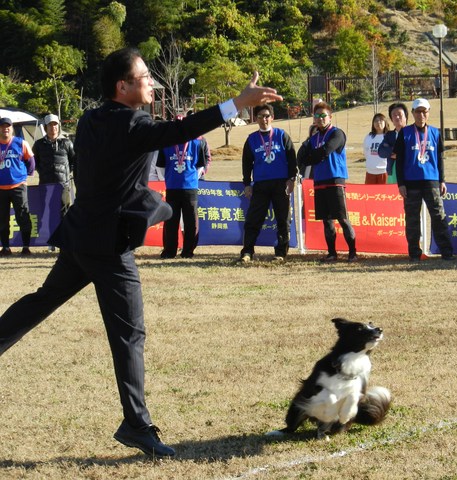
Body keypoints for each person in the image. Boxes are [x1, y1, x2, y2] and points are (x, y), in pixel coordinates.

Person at [0, 47, 282, 458]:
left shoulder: (94, 119)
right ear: (122, 86)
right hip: (108, 245)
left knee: (40, 302)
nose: (152, 81)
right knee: (129, 335)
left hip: (80, 236)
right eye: (144, 76)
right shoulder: (133, 123)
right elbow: (177, 132)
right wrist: (236, 103)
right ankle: (136, 425)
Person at [393, 98, 453, 261]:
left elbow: (440, 158)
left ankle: (446, 251)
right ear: (412, 113)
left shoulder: (435, 132)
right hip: (411, 183)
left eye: (424, 111)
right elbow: (399, 161)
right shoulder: (404, 133)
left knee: (439, 217)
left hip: (431, 181)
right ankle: (414, 252)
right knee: (412, 219)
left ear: (428, 113)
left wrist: (442, 180)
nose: (421, 115)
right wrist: (401, 184)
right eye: (418, 111)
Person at [297, 101, 357, 262]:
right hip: (319, 181)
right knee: (327, 221)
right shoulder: (314, 137)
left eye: (324, 115)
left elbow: (325, 151)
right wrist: (309, 157)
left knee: (343, 219)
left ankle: (353, 252)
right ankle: (332, 253)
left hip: (335, 180)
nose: (321, 118)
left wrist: (311, 158)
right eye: (317, 116)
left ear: (330, 117)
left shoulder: (337, 133)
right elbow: (301, 156)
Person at [238, 104, 297, 263]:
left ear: (272, 117)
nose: (263, 119)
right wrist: (247, 184)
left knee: (283, 219)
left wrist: (292, 179)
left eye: (266, 116)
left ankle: (280, 253)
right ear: (255, 119)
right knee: (253, 219)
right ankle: (247, 252)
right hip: (260, 185)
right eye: (260, 116)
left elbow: (292, 159)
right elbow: (246, 163)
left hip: (281, 184)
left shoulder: (281, 135)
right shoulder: (251, 139)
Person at [156, 115, 210, 259]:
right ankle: (170, 251)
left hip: (190, 188)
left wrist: (192, 179)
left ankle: (188, 251)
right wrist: (168, 180)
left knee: (190, 221)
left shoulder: (196, 143)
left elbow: (200, 166)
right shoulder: (166, 143)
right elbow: (161, 166)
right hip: (172, 187)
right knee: (171, 220)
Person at [0, 116, 34, 256]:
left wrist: (25, 177)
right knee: (2, 219)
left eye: (8, 126)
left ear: (12, 128)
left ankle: (26, 247)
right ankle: (6, 248)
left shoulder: (21, 143)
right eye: (2, 126)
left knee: (23, 216)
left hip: (18, 186)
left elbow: (31, 161)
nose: (5, 129)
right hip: (1, 188)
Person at [33, 114, 76, 218]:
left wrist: (65, 173)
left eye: (55, 124)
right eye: (50, 125)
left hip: (63, 185)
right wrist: (43, 172)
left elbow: (74, 161)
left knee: (64, 214)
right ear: (45, 127)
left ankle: (64, 234)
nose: (53, 127)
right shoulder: (38, 144)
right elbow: (35, 162)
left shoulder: (67, 143)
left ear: (59, 126)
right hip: (45, 185)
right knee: (46, 214)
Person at [377, 102, 408, 184]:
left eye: (400, 114)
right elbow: (381, 152)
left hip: (409, 172)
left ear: (406, 117)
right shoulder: (389, 135)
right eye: (394, 115)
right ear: (391, 120)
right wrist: (397, 152)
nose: (397, 117)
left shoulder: (412, 133)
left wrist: (397, 154)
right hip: (392, 172)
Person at [362, 113, 389, 184]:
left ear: (385, 122)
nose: (378, 122)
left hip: (384, 171)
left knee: (384, 194)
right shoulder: (369, 137)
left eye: (381, 120)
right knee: (370, 194)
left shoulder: (389, 136)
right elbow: (366, 152)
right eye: (376, 121)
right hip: (370, 171)